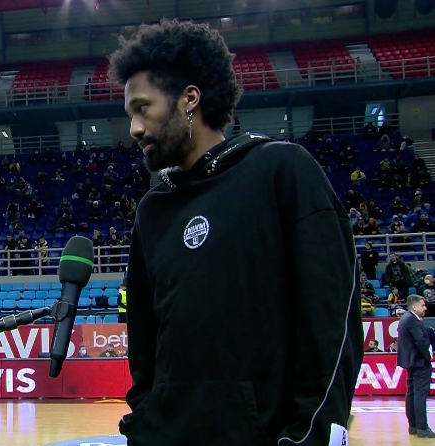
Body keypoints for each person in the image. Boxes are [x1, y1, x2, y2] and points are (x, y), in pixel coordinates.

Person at [109, 19, 363, 446]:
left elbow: (330, 326)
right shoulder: (153, 209)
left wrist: (310, 436)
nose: (134, 128)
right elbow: (145, 345)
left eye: (142, 108)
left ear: (189, 98)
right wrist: (146, 420)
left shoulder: (282, 170)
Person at [397, 294, 435, 438]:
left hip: (410, 362)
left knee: (412, 393)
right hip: (419, 362)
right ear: (414, 306)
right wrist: (428, 356)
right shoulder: (412, 320)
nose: (425, 308)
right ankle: (422, 428)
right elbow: (420, 341)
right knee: (420, 395)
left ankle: (413, 426)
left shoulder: (405, 318)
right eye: (422, 305)